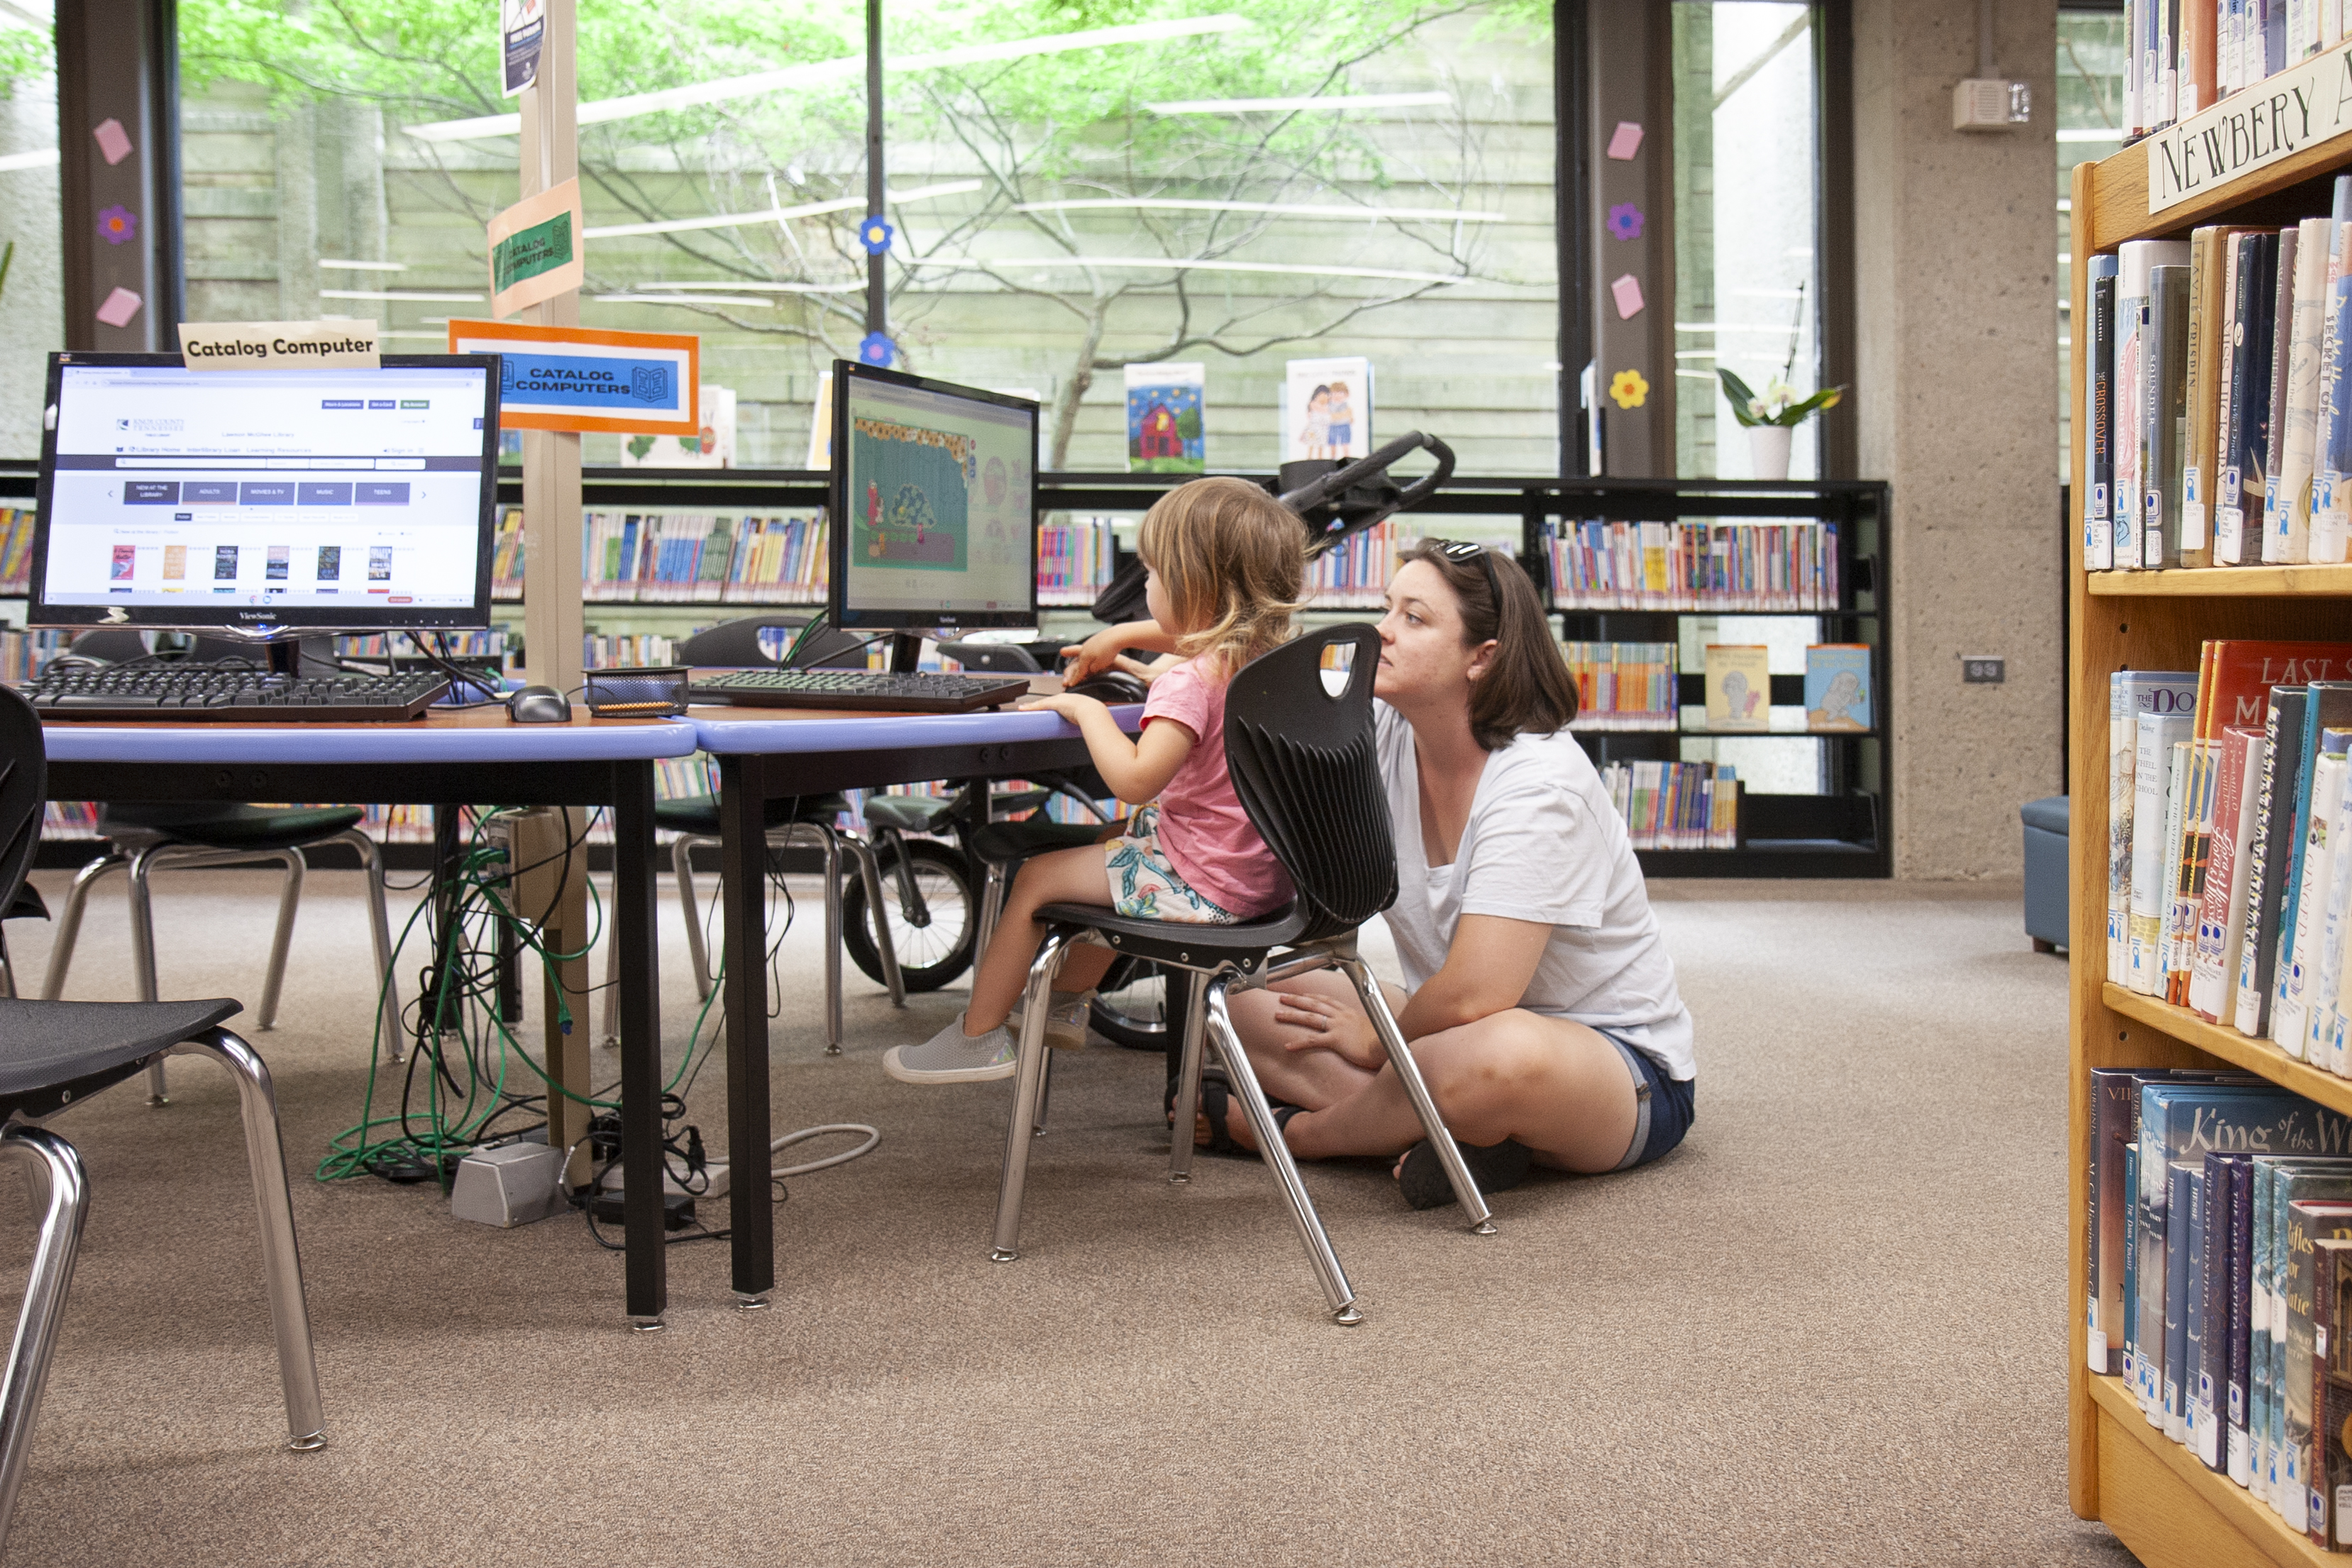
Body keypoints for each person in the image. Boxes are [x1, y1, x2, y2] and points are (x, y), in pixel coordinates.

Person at [1061, 537, 1695, 1205]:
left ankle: (1297, 1136)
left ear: (1482, 658)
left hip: (1613, 1064)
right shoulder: (1386, 727)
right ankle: (1469, 1137)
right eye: (1386, 608)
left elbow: (1479, 994)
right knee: (1243, 998)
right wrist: (1134, 653)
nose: (1381, 633)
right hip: (1447, 1032)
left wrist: (1373, 1040)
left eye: (1414, 619)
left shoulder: (1541, 787)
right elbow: (1251, 663)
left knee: (1497, 1054)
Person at [883, 477, 1306, 1083]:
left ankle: (974, 1039)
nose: (1147, 588)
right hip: (1260, 880)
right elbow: (1198, 639)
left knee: (1037, 879)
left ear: (1196, 586)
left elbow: (1135, 779)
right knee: (1117, 842)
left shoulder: (1188, 681)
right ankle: (1062, 1005)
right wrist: (1124, 639)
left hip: (1206, 884)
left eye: (1154, 576)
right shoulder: (1267, 656)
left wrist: (1083, 711)